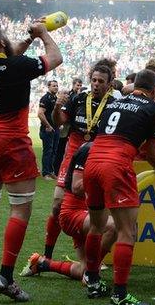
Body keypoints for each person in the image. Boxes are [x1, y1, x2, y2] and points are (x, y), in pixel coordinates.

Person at [0, 17, 62, 301]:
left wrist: (28, 39)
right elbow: (56, 57)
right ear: (0, 42)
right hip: (13, 143)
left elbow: (9, 58)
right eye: (5, 35)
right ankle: (5, 278)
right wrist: (43, 34)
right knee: (19, 211)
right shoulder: (16, 67)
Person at [83, 69, 155, 305]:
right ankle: (119, 294)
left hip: (93, 162)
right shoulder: (153, 109)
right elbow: (151, 152)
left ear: (135, 85)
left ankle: (93, 282)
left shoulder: (113, 103)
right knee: (127, 231)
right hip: (116, 165)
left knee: (97, 227)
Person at [43, 64, 114, 262]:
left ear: (109, 85)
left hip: (97, 156)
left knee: (90, 208)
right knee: (57, 204)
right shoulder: (78, 98)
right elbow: (58, 122)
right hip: (73, 155)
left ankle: (90, 260)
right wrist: (57, 106)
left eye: (101, 81)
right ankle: (47, 254)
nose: (96, 84)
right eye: (94, 80)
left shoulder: (113, 105)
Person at [20, 142, 117, 281]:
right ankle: (92, 273)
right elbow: (77, 187)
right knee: (113, 226)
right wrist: (104, 178)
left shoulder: (110, 150)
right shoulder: (88, 150)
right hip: (74, 214)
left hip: (89, 215)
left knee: (82, 270)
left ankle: (42, 263)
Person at [53, 77, 83, 176]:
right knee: (59, 150)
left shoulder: (80, 96)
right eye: (77, 85)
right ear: (73, 85)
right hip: (64, 128)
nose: (79, 87)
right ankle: (57, 170)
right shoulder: (72, 97)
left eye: (80, 85)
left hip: (70, 129)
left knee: (63, 151)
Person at [38, 80, 60, 180]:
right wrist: (48, 126)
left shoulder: (55, 98)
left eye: (57, 86)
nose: (56, 87)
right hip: (47, 130)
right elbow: (40, 113)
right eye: (53, 86)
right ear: (48, 87)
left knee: (54, 151)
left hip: (55, 129)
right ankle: (45, 173)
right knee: (48, 151)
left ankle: (51, 171)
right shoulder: (45, 98)